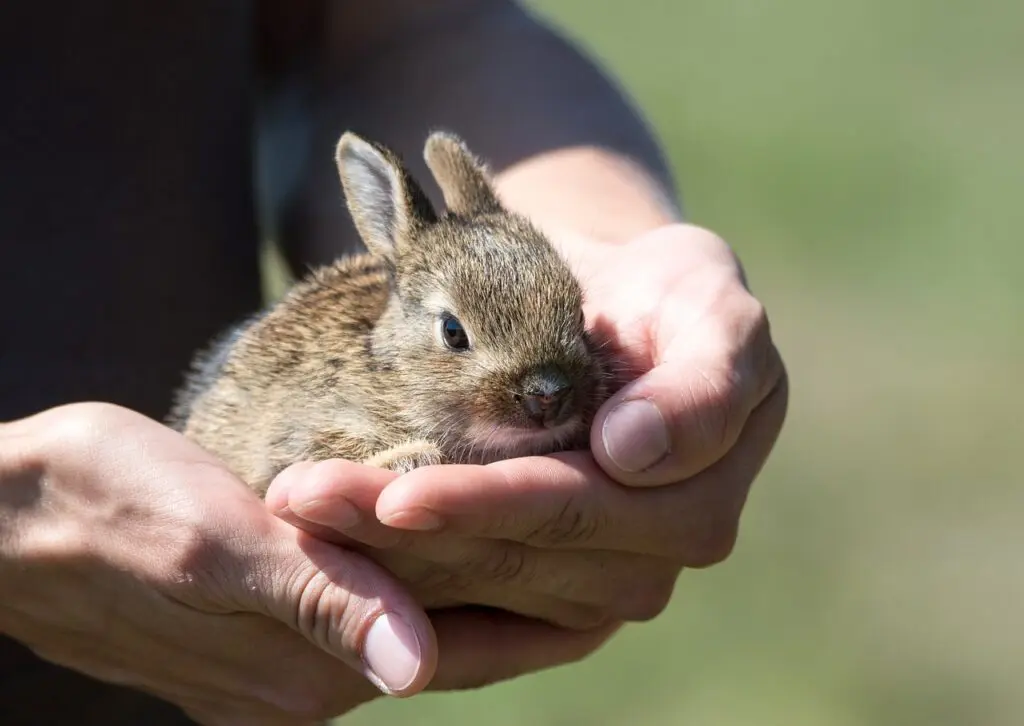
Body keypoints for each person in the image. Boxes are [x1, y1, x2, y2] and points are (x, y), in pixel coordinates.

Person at [0, 1, 788, 724]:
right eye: (458, 339)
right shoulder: (359, 403)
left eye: (570, 326)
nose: (547, 392)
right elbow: (288, 451)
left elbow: (401, 25)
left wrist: (618, 243)